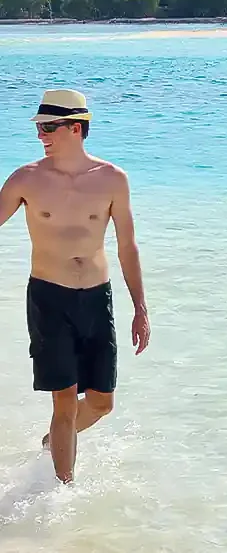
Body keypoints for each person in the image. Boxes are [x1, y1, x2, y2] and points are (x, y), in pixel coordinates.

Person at [0, 88, 150, 485]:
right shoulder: (25, 179)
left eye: (48, 127)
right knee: (64, 399)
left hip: (97, 298)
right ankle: (61, 494)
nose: (40, 135)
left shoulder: (113, 179)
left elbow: (127, 246)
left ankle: (53, 443)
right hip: (49, 297)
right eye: (38, 128)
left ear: (76, 127)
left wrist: (141, 308)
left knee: (102, 403)